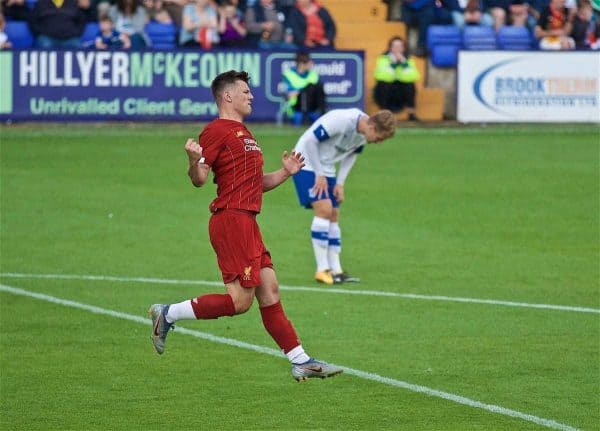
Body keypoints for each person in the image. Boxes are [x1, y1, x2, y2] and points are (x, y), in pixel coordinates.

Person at [148, 70, 343, 382]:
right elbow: (199, 179)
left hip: (248, 221)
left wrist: (287, 171)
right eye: (246, 92)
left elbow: (256, 183)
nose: (252, 96)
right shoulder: (216, 130)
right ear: (228, 96)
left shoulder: (246, 134)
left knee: (270, 290)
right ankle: (168, 313)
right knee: (240, 303)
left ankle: (300, 360)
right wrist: (191, 159)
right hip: (231, 220)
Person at [291, 108, 397, 285]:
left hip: (327, 166)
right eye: (379, 138)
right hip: (306, 162)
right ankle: (322, 269)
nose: (378, 142)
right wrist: (319, 174)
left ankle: (336, 270)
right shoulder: (342, 120)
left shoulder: (363, 133)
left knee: (333, 213)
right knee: (324, 210)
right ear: (371, 126)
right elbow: (310, 141)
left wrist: (340, 183)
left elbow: (352, 155)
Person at [373, 36, 420, 121]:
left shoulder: (408, 60)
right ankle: (384, 114)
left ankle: (411, 113)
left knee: (410, 86)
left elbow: (414, 76)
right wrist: (393, 65)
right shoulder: (383, 59)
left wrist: (404, 64)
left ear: (404, 48)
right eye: (395, 46)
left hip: (401, 90)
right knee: (383, 86)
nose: (397, 49)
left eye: (400, 46)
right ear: (390, 48)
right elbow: (380, 76)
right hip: (388, 89)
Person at [282, 51, 326, 126]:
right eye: (309, 61)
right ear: (301, 64)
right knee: (306, 90)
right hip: (295, 106)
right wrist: (302, 90)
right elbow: (290, 94)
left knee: (317, 87)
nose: (311, 63)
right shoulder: (288, 74)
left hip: (312, 106)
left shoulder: (313, 74)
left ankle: (322, 113)